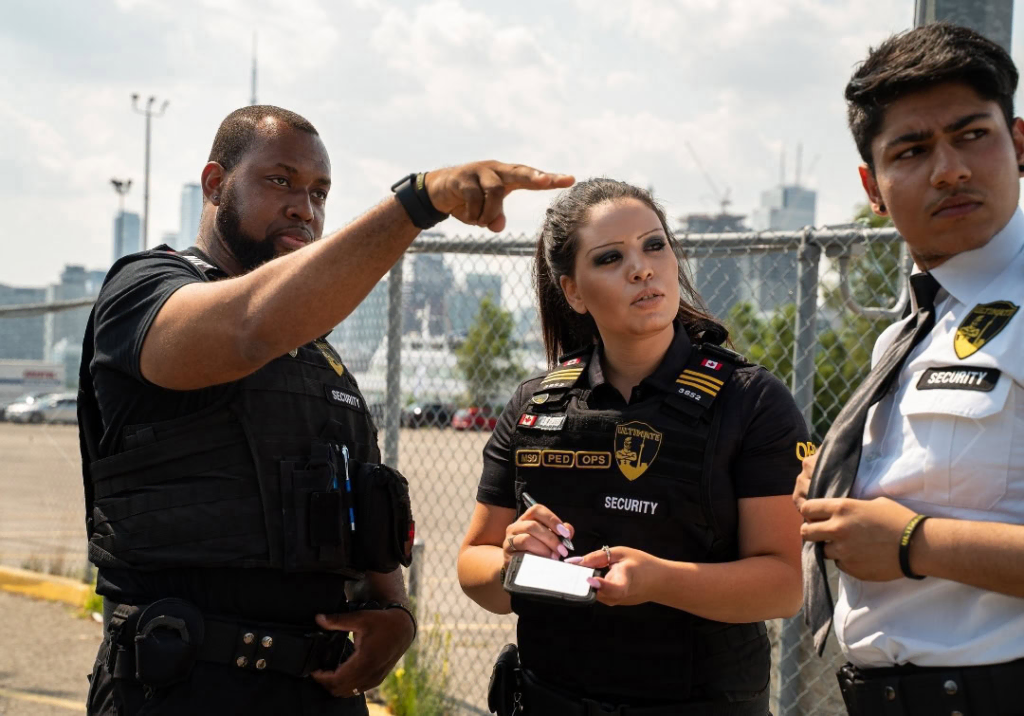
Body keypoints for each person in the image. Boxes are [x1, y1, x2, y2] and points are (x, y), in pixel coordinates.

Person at [78, 104, 573, 716]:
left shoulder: (321, 360)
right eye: (279, 180)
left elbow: (362, 498)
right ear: (215, 184)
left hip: (320, 690)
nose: (303, 207)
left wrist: (394, 614)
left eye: (319, 192)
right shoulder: (144, 292)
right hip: (179, 686)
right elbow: (246, 329)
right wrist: (418, 203)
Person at [458, 178, 808, 715]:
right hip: (550, 696)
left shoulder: (750, 400)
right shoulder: (535, 404)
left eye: (654, 245)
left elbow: (783, 585)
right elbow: (474, 566)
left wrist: (660, 581)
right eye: (610, 258)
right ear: (572, 291)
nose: (642, 268)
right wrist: (511, 561)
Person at [795, 23, 1024, 716]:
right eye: (913, 150)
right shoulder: (907, 332)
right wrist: (842, 488)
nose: (949, 168)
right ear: (873, 185)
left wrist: (910, 543)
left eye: (971, 135)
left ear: (1019, 143)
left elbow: (909, 531)